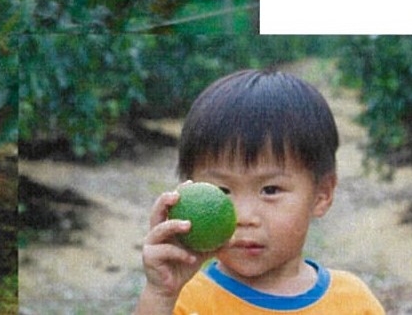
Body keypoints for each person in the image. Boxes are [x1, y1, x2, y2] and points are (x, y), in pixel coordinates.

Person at [134, 69, 384, 314]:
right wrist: (159, 296)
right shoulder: (184, 300)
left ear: (322, 195)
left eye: (270, 189)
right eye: (222, 190)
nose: (243, 217)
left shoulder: (353, 302)